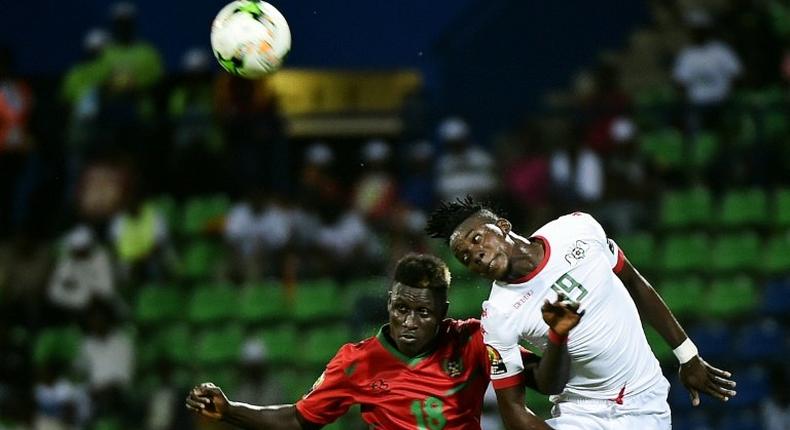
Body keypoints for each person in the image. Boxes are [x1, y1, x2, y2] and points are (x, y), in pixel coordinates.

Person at [426, 197, 737, 429]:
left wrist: (687, 355)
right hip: (581, 413)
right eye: (465, 257)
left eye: (477, 238)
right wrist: (557, 335)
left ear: (504, 227)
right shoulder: (498, 316)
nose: (475, 255)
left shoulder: (576, 229)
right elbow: (515, 410)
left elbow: (632, 280)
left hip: (646, 402)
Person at [186, 253, 583, 429]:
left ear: (442, 312)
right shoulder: (356, 362)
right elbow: (297, 419)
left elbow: (548, 383)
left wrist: (557, 338)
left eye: (423, 313)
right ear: (390, 303)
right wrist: (231, 410)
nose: (408, 322)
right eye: (400, 308)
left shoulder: (473, 340)